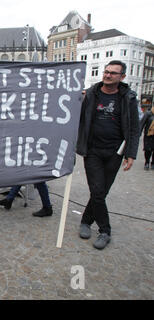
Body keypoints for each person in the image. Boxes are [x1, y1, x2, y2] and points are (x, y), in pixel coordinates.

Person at [76, 60, 139, 250]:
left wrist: (131, 154)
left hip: (115, 152)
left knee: (101, 192)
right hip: (93, 150)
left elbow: (134, 129)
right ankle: (105, 230)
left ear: (122, 77)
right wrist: (78, 98)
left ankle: (86, 221)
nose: (108, 75)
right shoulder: (91, 94)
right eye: (106, 71)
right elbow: (75, 114)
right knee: (97, 190)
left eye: (113, 73)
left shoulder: (128, 98)